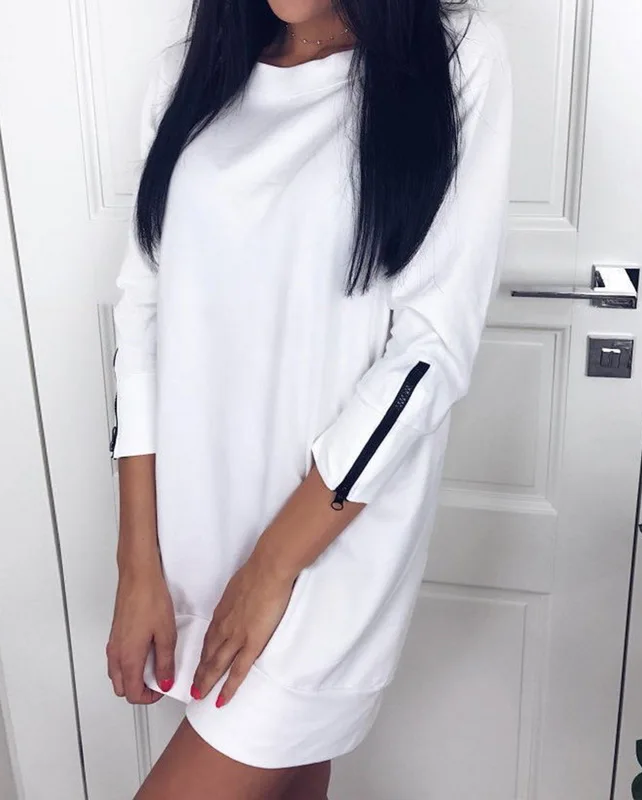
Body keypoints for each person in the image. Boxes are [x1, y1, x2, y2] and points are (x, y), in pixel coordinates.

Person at [105, 0, 512, 797]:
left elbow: (430, 348)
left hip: (326, 551)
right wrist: (136, 563)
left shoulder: (458, 59)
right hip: (195, 541)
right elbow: (141, 316)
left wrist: (272, 567)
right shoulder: (184, 77)